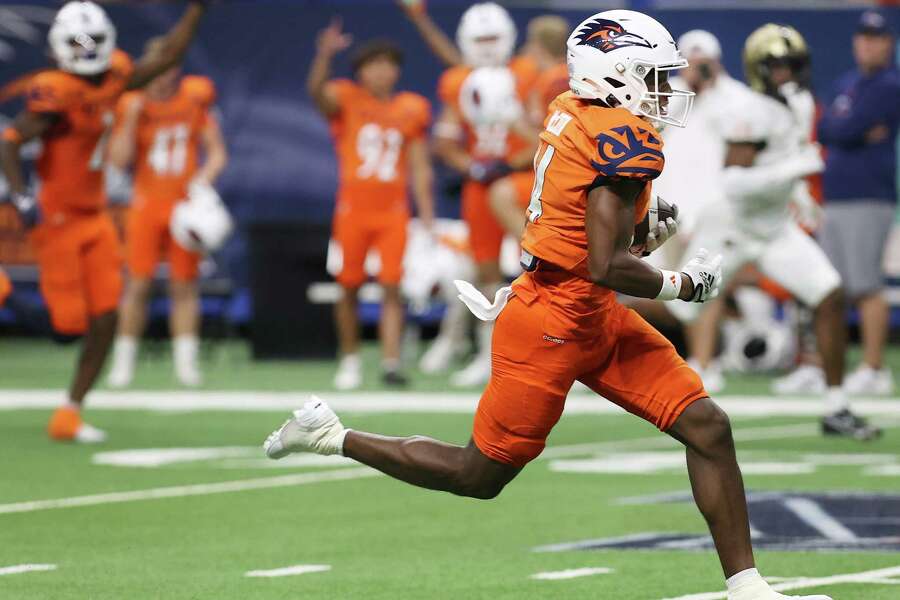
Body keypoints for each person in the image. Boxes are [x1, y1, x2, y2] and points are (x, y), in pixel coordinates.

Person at [264, 11, 832, 600]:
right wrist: (684, 285)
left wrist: (642, 233)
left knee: (707, 426)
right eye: (655, 75)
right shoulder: (624, 136)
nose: (667, 90)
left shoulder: (575, 109)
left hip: (592, 312)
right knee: (476, 475)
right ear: (618, 75)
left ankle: (746, 586)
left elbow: (596, 239)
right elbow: (603, 263)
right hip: (550, 323)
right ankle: (331, 435)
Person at [0, 0, 208, 443]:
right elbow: (11, 142)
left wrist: (197, 9)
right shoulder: (55, 89)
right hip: (57, 219)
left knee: (108, 316)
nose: (85, 48)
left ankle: (69, 413)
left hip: (94, 217)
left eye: (90, 41)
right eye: (79, 42)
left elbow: (167, 55)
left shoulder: (114, 77)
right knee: (68, 329)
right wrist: (20, 194)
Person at [667, 24, 878, 440]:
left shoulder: (798, 102)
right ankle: (591, 337)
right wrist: (792, 172)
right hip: (731, 226)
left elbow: (789, 154)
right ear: (759, 68)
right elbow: (733, 182)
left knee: (829, 294)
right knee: (678, 306)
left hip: (775, 227)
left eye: (792, 65)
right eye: (777, 65)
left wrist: (797, 190)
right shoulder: (750, 111)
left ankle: (836, 406)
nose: (786, 74)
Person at [308, 19, 434, 390]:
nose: (383, 72)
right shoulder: (347, 98)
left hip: (393, 211)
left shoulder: (410, 108)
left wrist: (426, 215)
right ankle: (349, 360)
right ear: (361, 71)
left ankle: (391, 362)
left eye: (389, 64)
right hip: (353, 209)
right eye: (374, 64)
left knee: (393, 287)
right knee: (348, 285)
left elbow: (419, 166)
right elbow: (317, 93)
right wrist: (324, 55)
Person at [105, 37, 227, 389]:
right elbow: (118, 161)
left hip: (183, 207)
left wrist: (201, 182)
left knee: (184, 285)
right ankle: (123, 364)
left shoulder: (192, 99)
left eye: (168, 66)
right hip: (145, 204)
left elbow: (216, 153)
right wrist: (129, 117)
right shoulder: (133, 103)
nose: (162, 75)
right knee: (137, 285)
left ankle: (186, 366)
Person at [433, 3, 539, 387]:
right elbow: (444, 138)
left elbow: (545, 129)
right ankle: (488, 354)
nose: (488, 46)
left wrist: (513, 161)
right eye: (481, 40)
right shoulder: (457, 80)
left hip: (526, 178)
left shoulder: (526, 73)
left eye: (493, 38)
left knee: (545, 261)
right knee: (484, 270)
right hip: (481, 184)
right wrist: (471, 166)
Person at [816, 10, 900, 396]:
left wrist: (846, 129)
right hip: (837, 195)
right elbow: (829, 128)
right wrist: (847, 130)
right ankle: (830, 368)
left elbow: (844, 128)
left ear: (889, 43)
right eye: (863, 36)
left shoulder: (889, 84)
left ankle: (873, 367)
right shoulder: (847, 83)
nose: (868, 43)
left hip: (870, 194)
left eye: (876, 37)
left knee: (866, 284)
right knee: (831, 287)